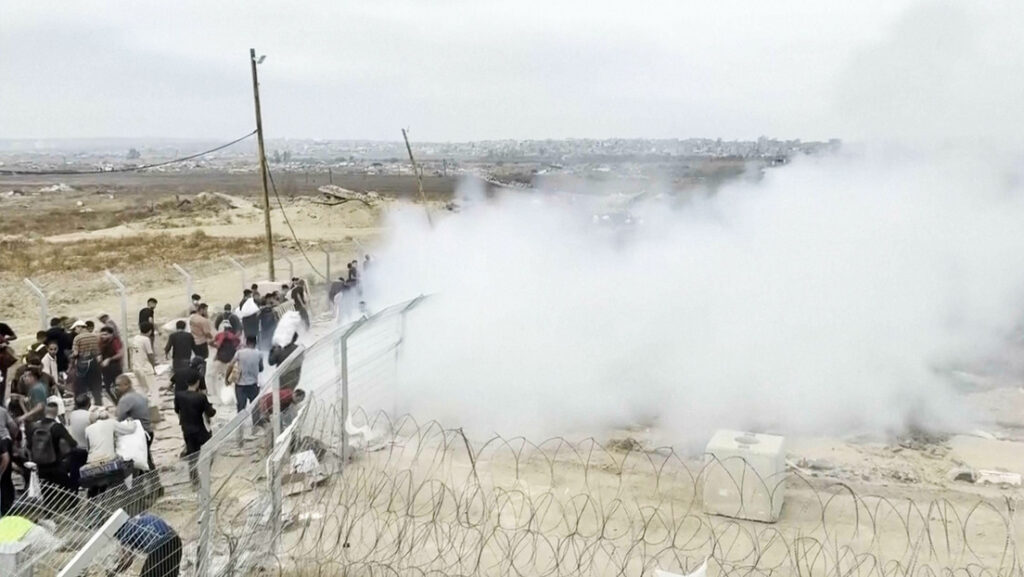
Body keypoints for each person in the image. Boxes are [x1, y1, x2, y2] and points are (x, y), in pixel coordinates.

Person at [174, 370, 215, 486]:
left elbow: (177, 410)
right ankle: (206, 473)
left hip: (187, 429)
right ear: (197, 382)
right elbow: (210, 413)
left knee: (192, 455)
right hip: (201, 431)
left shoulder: (179, 395)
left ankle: (194, 480)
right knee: (211, 451)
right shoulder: (201, 397)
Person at [27, 401, 77, 491]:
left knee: (47, 493)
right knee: (69, 490)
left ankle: (49, 505)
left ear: (45, 412)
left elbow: (29, 445)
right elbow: (72, 443)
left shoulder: (34, 426)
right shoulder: (57, 427)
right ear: (56, 412)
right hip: (55, 466)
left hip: (40, 466)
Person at [112, 513, 182, 577]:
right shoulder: (141, 516)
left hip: (159, 544)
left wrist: (115, 571)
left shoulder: (123, 534)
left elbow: (127, 560)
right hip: (175, 539)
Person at [115, 375, 155, 471]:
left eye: (118, 385)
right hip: (148, 431)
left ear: (127, 385)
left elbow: (119, 418)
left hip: (139, 435)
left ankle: (142, 483)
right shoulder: (140, 395)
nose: (116, 388)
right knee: (146, 459)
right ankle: (155, 483)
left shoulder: (125, 399)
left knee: (136, 462)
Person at [230, 338, 263, 421]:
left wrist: (228, 378)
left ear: (246, 343)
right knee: (255, 407)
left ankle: (239, 426)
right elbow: (261, 368)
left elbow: (231, 365)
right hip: (253, 385)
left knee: (241, 407)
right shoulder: (259, 353)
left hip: (240, 385)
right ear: (255, 343)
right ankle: (255, 426)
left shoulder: (239, 353)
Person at [71, 319, 102, 406]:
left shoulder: (77, 338)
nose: (75, 331)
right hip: (94, 364)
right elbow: (98, 352)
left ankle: (82, 406)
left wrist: (71, 356)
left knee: (81, 388)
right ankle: (98, 405)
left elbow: (76, 353)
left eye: (75, 329)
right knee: (96, 388)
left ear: (79, 327)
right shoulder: (95, 337)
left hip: (82, 364)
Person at [210, 323, 239, 401]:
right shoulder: (234, 337)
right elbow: (238, 346)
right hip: (230, 361)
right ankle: (232, 395)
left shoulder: (220, 335)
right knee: (232, 379)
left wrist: (214, 345)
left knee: (214, 377)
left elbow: (213, 343)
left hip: (220, 360)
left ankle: (214, 393)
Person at [98, 326, 125, 404]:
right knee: (107, 389)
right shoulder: (101, 342)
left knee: (119, 387)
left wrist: (109, 359)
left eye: (105, 334)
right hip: (105, 369)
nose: (103, 336)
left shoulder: (115, 341)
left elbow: (120, 354)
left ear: (111, 334)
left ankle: (122, 403)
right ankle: (117, 403)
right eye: (102, 334)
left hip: (115, 367)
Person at [132, 322, 158, 394]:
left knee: (142, 389)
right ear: (150, 331)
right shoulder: (146, 339)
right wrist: (153, 367)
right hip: (145, 367)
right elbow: (150, 354)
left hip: (136, 366)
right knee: (153, 389)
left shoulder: (136, 338)